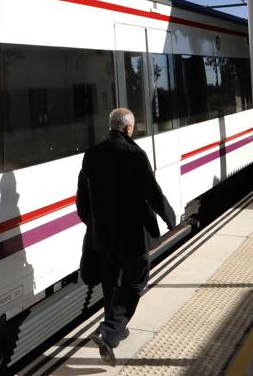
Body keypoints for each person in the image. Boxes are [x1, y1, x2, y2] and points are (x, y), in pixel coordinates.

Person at [76, 108, 176, 366]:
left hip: (103, 237)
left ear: (111, 126)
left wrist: (95, 224)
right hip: (132, 236)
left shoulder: (92, 155)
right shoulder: (134, 154)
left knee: (111, 282)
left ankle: (116, 329)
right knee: (135, 282)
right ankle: (107, 332)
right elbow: (152, 191)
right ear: (129, 128)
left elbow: (82, 201)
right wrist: (170, 217)